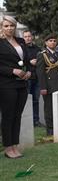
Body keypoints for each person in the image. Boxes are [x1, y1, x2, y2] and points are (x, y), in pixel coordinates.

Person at [0, 16, 30, 159]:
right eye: (6, 26)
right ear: (2, 27)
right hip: (6, 84)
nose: (9, 28)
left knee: (17, 116)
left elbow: (27, 60)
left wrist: (29, 71)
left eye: (11, 26)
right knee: (8, 116)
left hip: (22, 83)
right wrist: (12, 71)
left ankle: (15, 146)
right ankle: (8, 148)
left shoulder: (21, 41)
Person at [37, 33, 58, 136]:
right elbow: (40, 72)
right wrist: (43, 87)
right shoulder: (42, 55)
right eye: (50, 41)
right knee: (49, 108)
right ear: (46, 43)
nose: (53, 42)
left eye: (54, 41)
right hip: (49, 86)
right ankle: (50, 129)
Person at [23, 30, 41, 126]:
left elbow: (42, 60)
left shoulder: (37, 48)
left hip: (36, 77)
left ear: (32, 37)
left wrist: (37, 61)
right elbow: (19, 62)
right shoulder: (21, 48)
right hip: (27, 77)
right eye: (26, 36)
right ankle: (27, 120)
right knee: (26, 99)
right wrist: (29, 62)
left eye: (29, 36)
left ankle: (36, 120)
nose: (28, 38)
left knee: (36, 100)